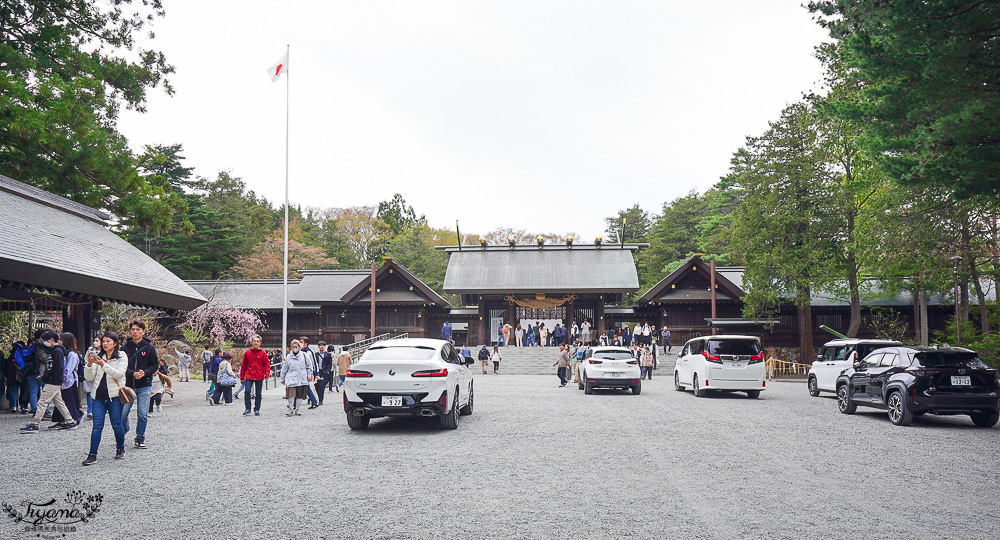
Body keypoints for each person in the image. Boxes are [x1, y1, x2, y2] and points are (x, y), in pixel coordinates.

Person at [82, 332, 129, 464]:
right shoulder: (99, 356)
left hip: (114, 397)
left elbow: (119, 374)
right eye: (103, 341)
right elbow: (89, 377)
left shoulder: (121, 356)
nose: (105, 344)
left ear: (115, 343)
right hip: (98, 397)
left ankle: (120, 448)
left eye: (108, 341)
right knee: (97, 426)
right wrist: (90, 365)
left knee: (116, 424)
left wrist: (103, 364)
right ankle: (92, 454)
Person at [20, 330, 75, 433]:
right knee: (59, 402)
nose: (44, 342)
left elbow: (58, 368)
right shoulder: (57, 350)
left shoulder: (57, 351)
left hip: (52, 381)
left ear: (51, 340)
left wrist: (49, 378)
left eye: (45, 340)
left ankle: (35, 424)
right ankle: (70, 421)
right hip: (54, 381)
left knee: (42, 402)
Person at [121, 320, 158, 450]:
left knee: (142, 414)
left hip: (145, 384)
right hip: (128, 385)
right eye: (133, 329)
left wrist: (145, 373)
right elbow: (121, 366)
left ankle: (140, 438)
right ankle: (125, 429)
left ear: (143, 331)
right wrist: (132, 373)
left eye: (138, 329)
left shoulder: (149, 347)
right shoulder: (124, 348)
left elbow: (155, 365)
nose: (135, 332)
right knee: (123, 413)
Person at [52, 332, 83, 426]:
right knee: (61, 401)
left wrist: (62, 379)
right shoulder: (64, 352)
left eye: (61, 340)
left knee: (69, 401)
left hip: (69, 381)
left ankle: (76, 417)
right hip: (63, 380)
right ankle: (61, 420)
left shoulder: (72, 354)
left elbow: (68, 369)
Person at [280, 339, 313, 416]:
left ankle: (297, 409)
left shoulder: (304, 355)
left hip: (302, 378)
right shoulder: (288, 357)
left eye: (296, 346)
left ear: (299, 347)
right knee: (290, 395)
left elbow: (310, 366)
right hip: (291, 378)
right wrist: (282, 378)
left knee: (300, 395)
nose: (295, 348)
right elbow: (285, 368)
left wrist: (309, 375)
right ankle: (291, 409)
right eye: (293, 347)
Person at [239, 336, 269, 416]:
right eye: (254, 341)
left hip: (259, 375)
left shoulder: (263, 353)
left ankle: (257, 409)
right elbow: (244, 365)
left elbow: (267, 364)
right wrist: (242, 376)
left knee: (258, 393)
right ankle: (248, 408)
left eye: (257, 341)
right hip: (249, 375)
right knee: (247, 391)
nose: (256, 343)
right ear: (251, 342)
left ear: (260, 343)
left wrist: (266, 374)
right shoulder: (247, 353)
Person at [300, 337, 320, 409]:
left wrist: (316, 374)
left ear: (306, 343)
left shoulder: (310, 352)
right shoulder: (298, 351)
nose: (300, 343)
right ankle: (314, 401)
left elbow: (314, 363)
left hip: (307, 372)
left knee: (307, 388)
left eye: (301, 342)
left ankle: (314, 401)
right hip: (299, 372)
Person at [314, 341, 334, 406]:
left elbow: (330, 364)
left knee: (322, 386)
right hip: (317, 371)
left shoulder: (328, 354)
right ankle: (319, 397)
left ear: (325, 347)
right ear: (318, 346)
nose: (322, 346)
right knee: (317, 386)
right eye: (320, 345)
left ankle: (320, 400)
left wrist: (327, 371)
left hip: (324, 372)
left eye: (323, 345)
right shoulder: (316, 354)